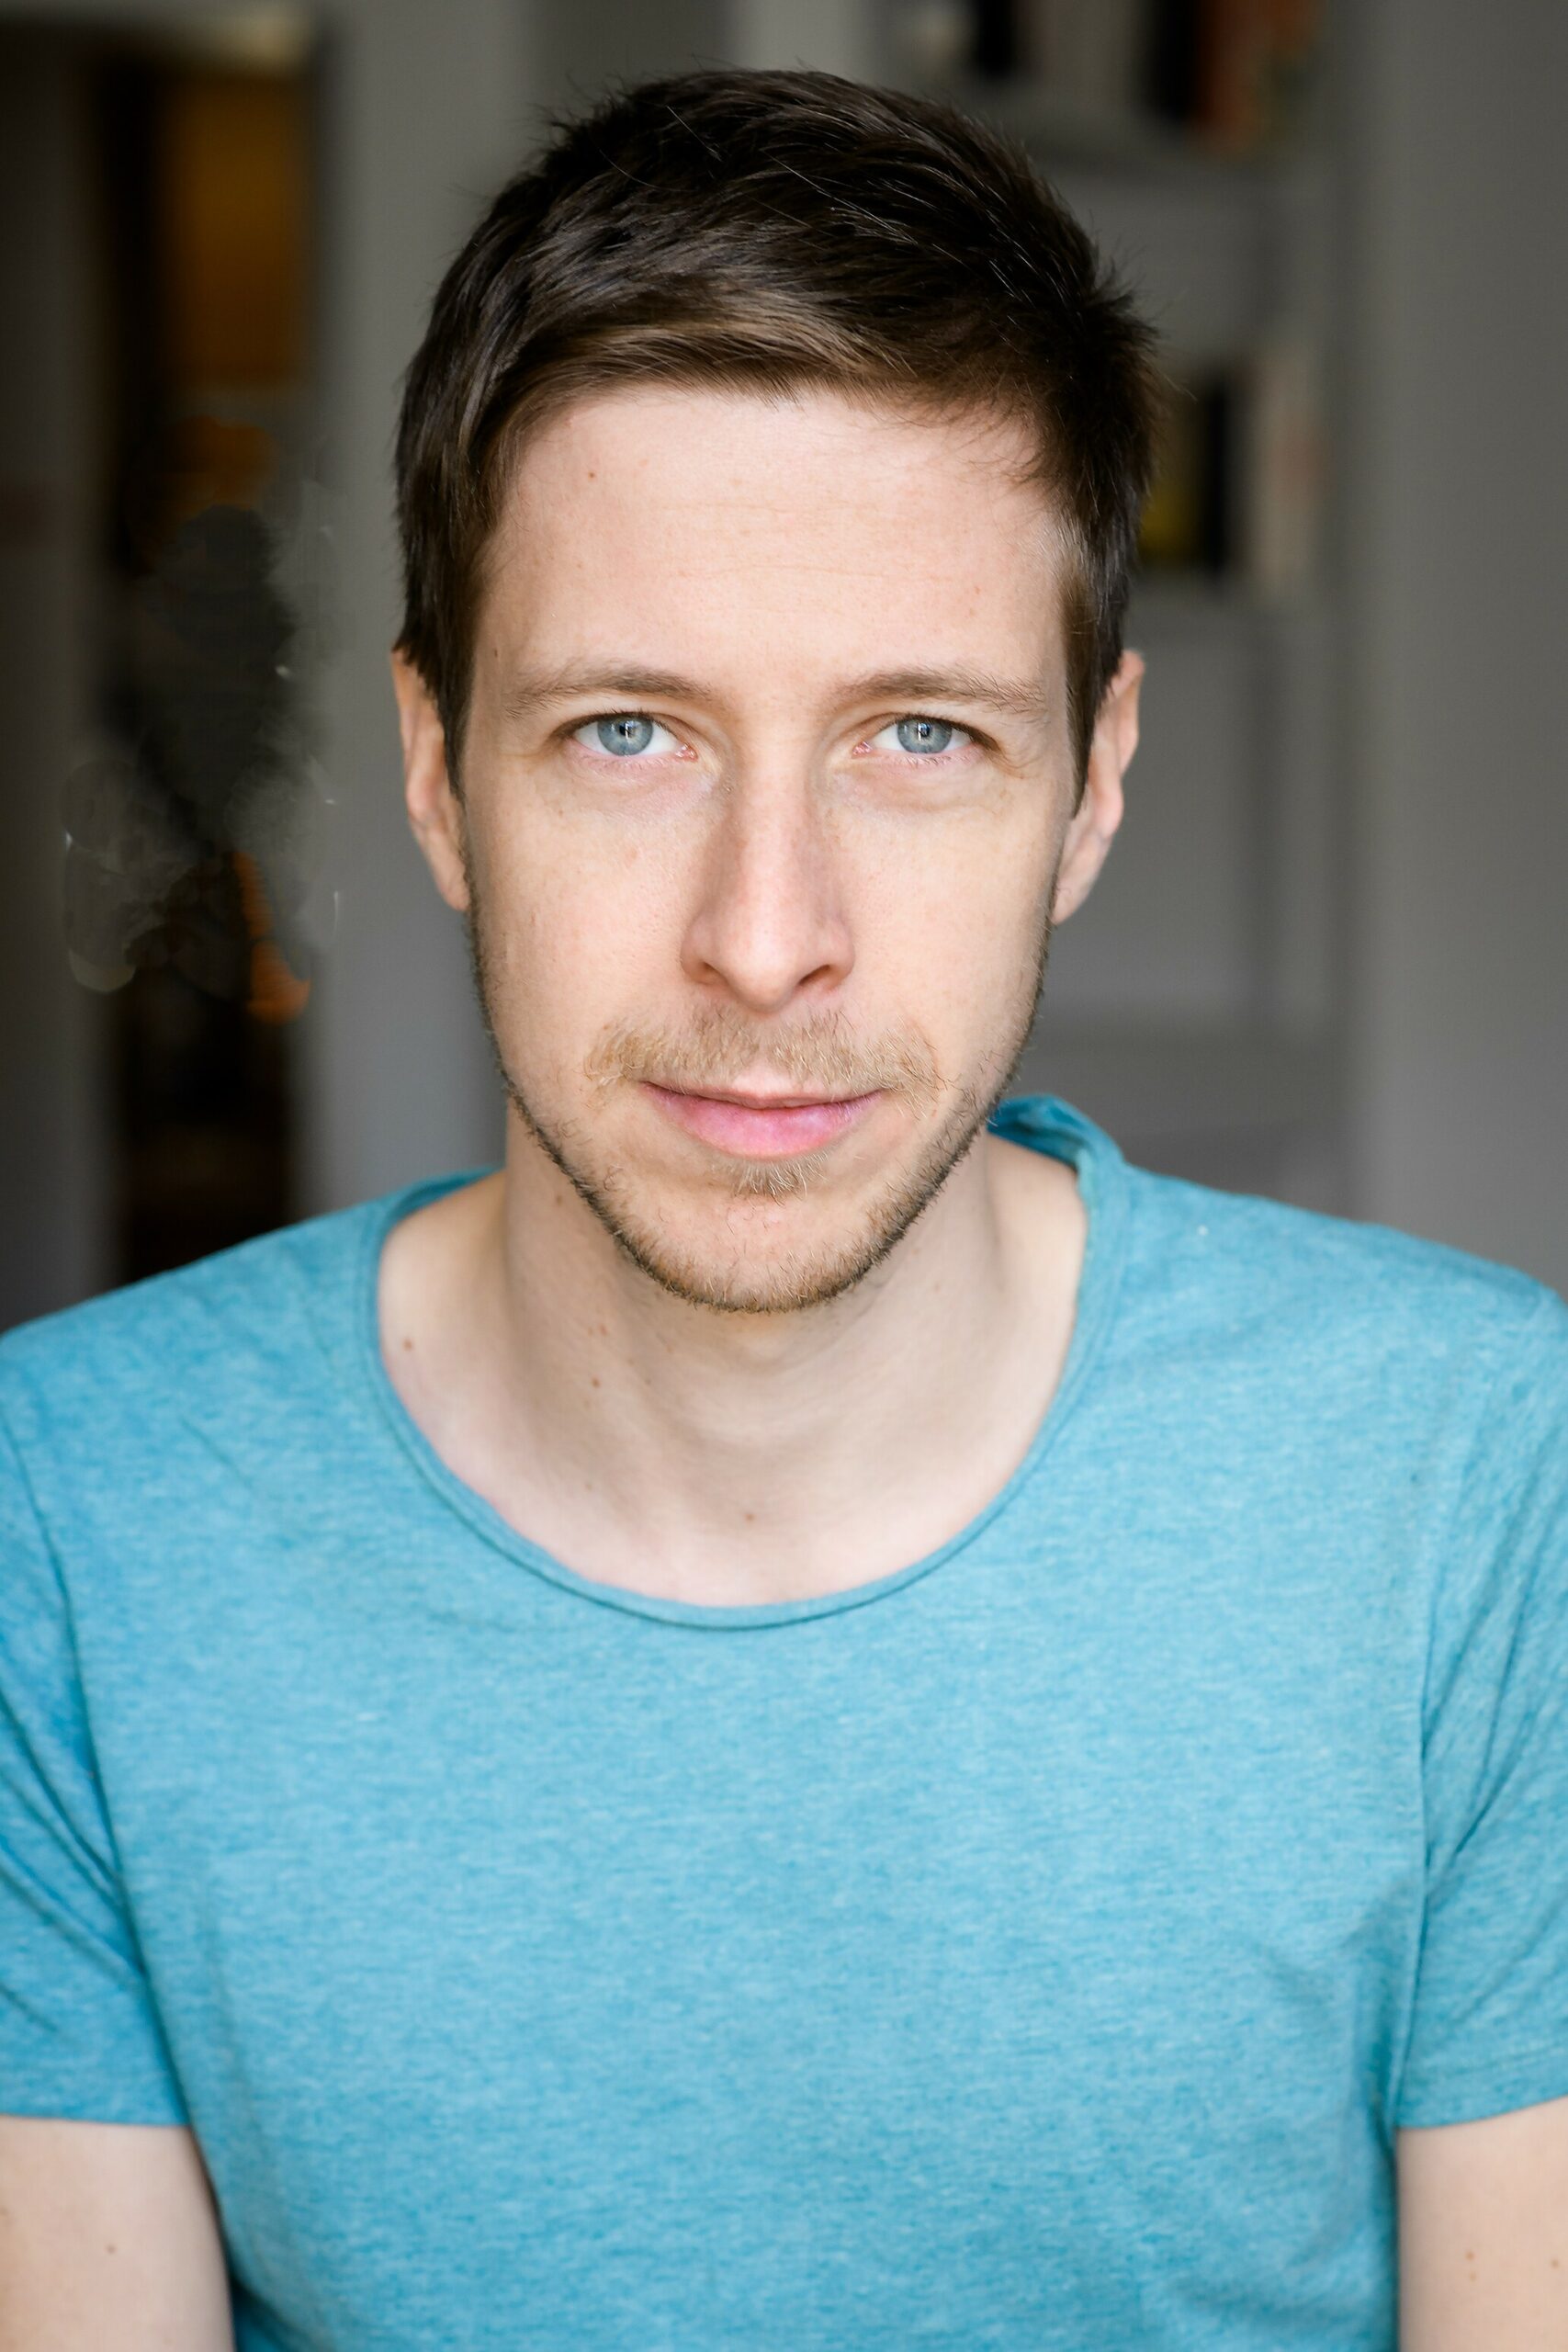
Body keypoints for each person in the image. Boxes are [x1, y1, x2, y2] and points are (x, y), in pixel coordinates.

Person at [1, 66, 1564, 2352]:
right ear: (435, 773)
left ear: (1090, 787)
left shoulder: (1478, 1479)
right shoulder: (69, 1512)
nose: (764, 939)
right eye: (625, 731)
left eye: (919, 736)